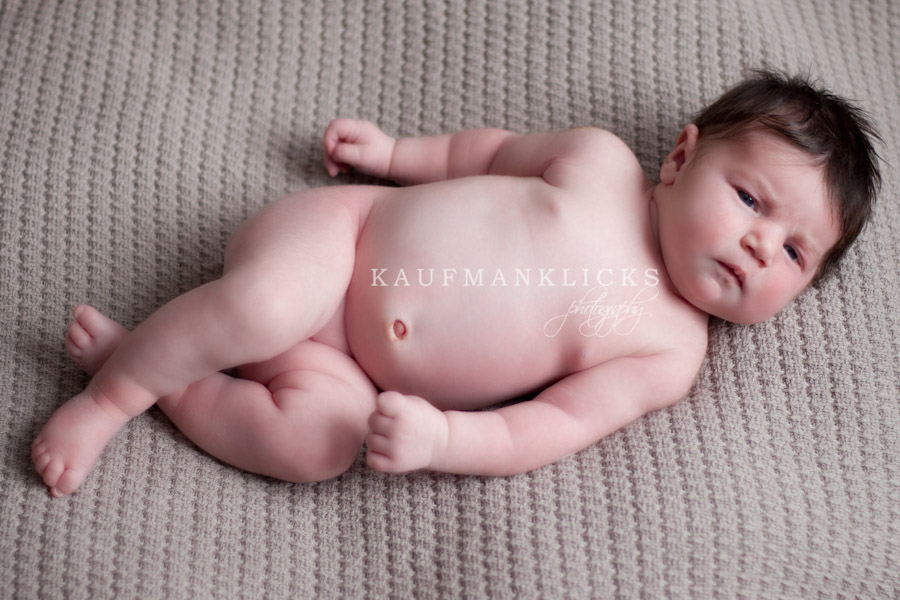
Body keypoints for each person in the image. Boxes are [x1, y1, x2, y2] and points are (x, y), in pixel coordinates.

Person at [32, 69, 881, 497]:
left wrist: (443, 439)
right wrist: (395, 153)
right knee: (264, 305)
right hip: (344, 244)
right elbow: (490, 152)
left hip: (349, 372)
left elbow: (552, 424)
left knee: (318, 447)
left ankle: (169, 379)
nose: (760, 246)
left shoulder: (669, 350)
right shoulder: (601, 164)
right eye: (750, 200)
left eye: (795, 254)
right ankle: (113, 396)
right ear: (681, 157)